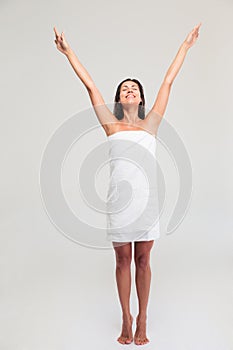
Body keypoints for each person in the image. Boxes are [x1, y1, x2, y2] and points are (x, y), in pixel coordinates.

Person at [53, 23, 201, 345]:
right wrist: (68, 53)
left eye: (134, 87)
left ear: (141, 98)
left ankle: (143, 317)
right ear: (119, 99)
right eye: (124, 88)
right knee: (122, 260)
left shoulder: (151, 124)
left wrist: (186, 46)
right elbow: (90, 85)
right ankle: (126, 317)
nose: (129, 90)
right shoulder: (111, 125)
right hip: (119, 204)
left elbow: (168, 79)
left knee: (144, 260)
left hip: (147, 204)